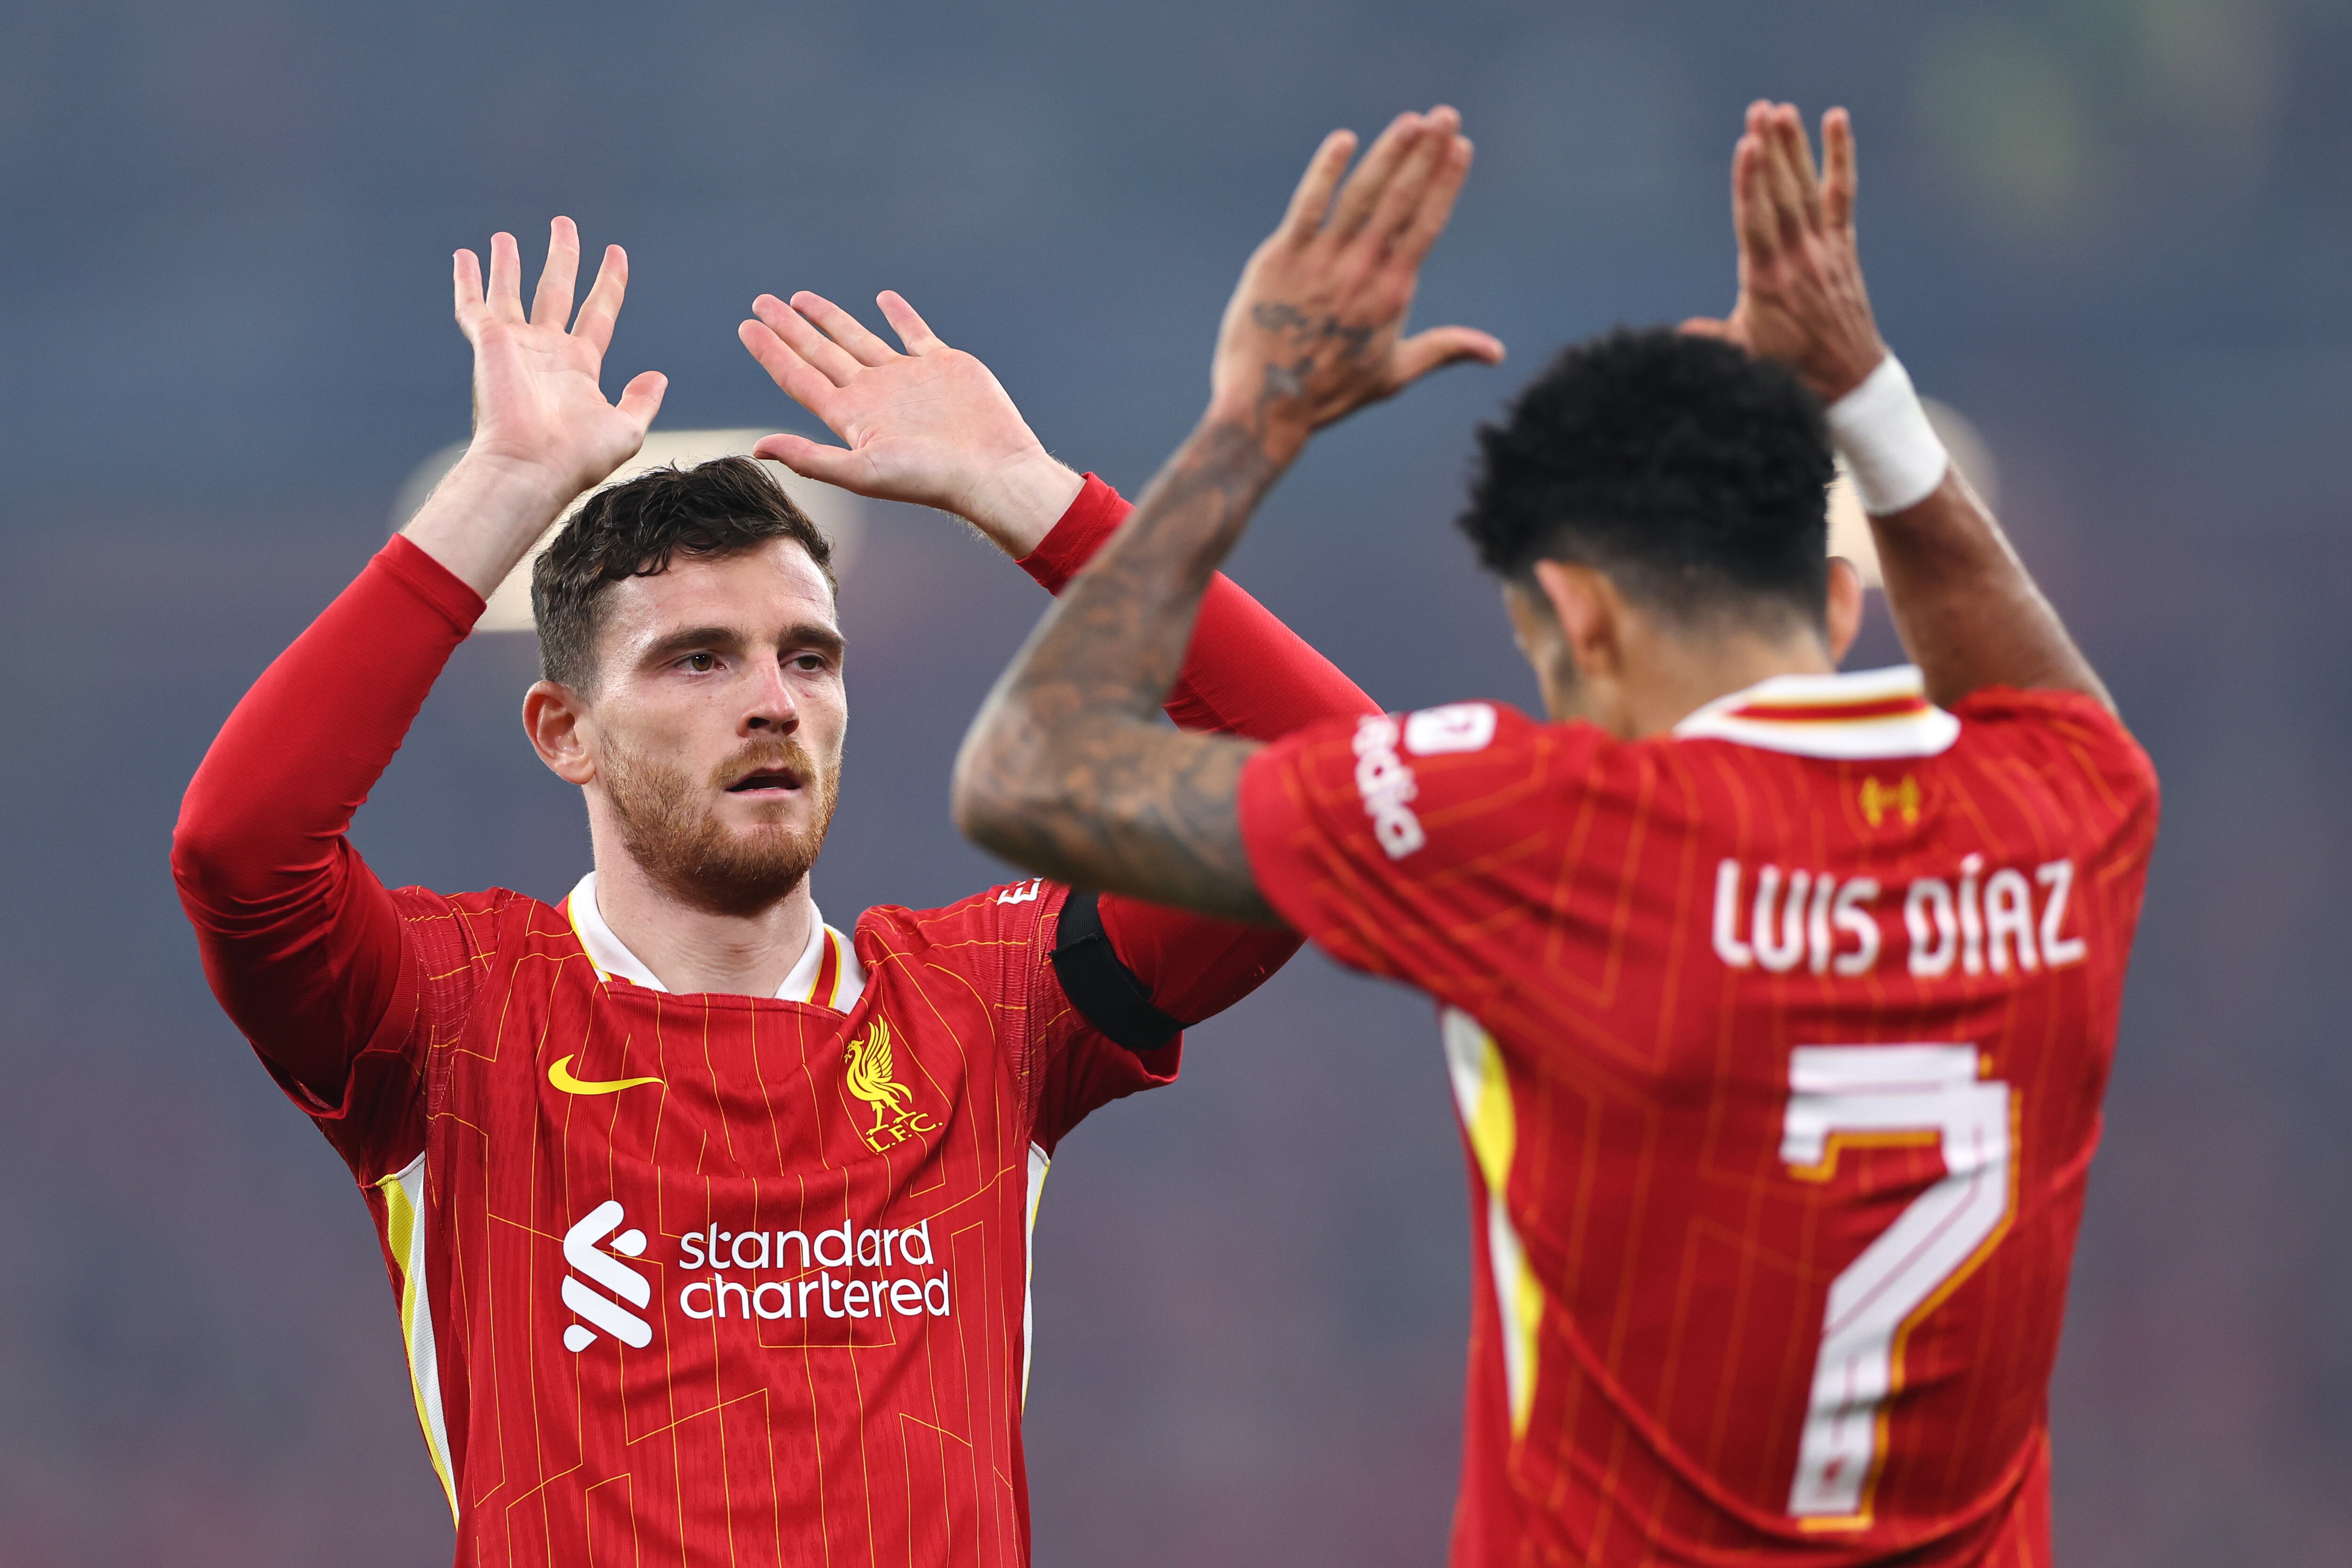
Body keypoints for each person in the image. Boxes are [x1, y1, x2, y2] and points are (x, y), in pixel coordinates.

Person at [169, 108, 1480, 1565]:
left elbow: (1346, 792)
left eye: (810, 655)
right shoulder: (449, 1018)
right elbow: (242, 849)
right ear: (564, 734)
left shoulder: (990, 1008)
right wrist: (506, 490)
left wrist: (1030, 501)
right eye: (698, 660)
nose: (774, 702)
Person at [951, 102, 2159, 1565]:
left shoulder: (1550, 830)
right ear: (1841, 602)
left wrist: (1248, 428)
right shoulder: (2063, 826)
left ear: (1570, 613)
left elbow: (1026, 769)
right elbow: (2051, 703)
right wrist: (1864, 395)